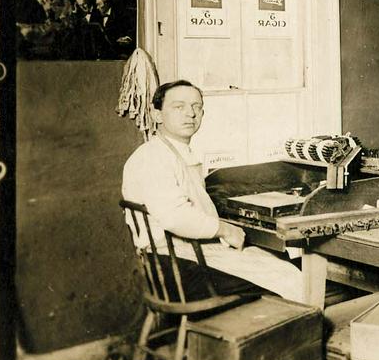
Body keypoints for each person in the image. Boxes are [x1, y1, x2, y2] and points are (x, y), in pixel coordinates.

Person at [121, 80, 303, 301]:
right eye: (179, 107)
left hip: (184, 254)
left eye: (196, 107)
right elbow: (175, 217)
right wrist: (225, 230)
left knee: (282, 268)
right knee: (289, 277)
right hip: (173, 266)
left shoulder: (174, 152)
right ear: (158, 115)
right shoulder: (152, 157)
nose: (190, 113)